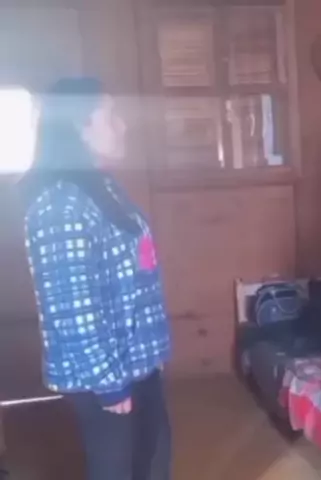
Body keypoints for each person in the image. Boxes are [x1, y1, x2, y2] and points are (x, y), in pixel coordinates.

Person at [18, 77, 172, 480]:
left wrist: (147, 359)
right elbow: (72, 308)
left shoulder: (101, 187)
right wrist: (109, 384)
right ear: (80, 128)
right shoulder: (60, 205)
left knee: (152, 465)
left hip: (135, 365)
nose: (123, 125)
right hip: (105, 378)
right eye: (111, 116)